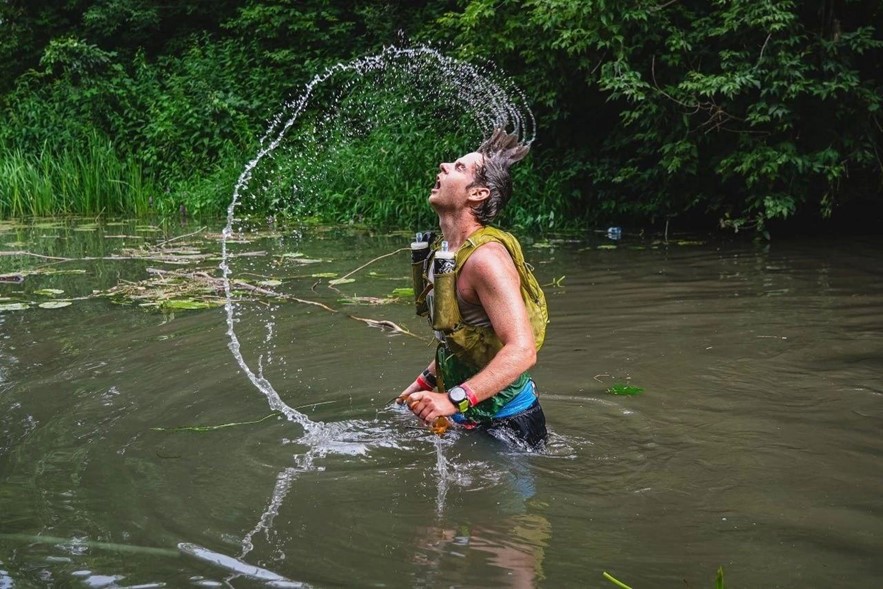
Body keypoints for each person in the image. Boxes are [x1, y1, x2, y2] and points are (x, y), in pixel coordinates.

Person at [398, 129, 549, 449]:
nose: (443, 166)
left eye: (459, 167)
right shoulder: (445, 254)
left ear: (478, 193)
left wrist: (451, 400)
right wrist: (424, 382)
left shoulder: (486, 260)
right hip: (469, 418)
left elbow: (522, 351)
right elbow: (464, 340)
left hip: (511, 428)